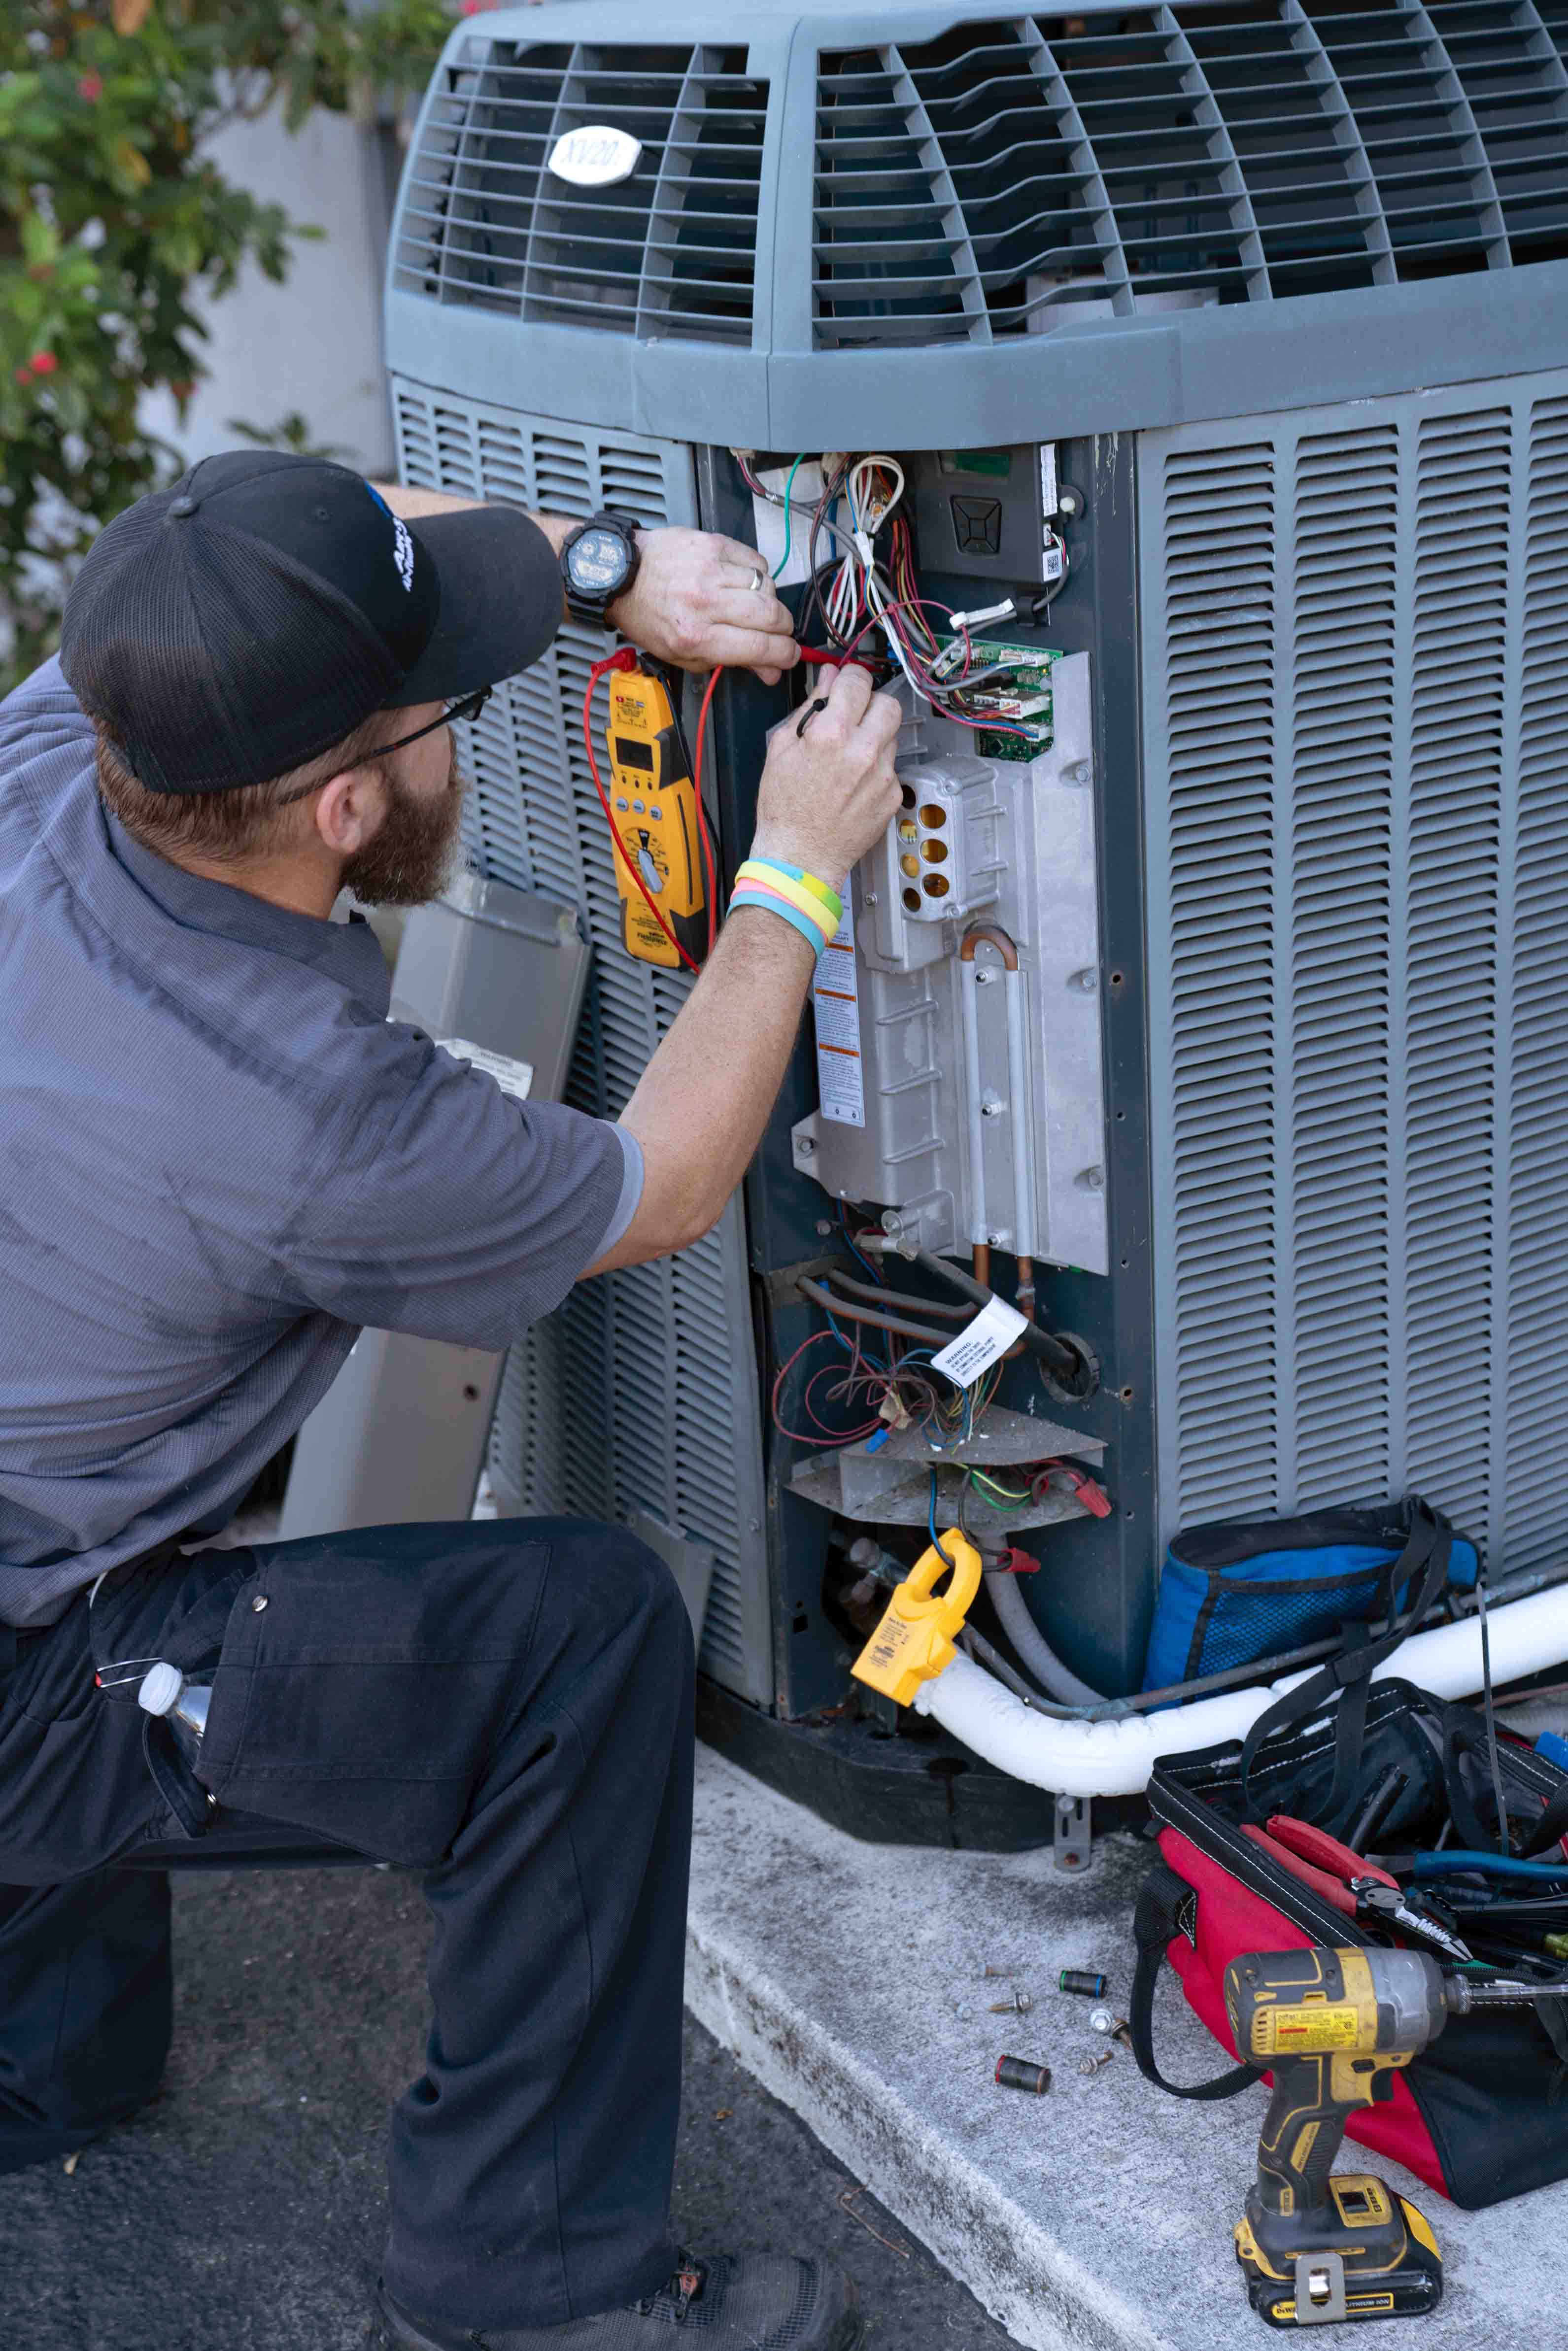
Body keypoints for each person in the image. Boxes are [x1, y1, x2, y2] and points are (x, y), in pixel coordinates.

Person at [0, 450, 902, 2351]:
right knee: (572, 1636)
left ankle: (32, 2060)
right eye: (454, 705)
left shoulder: (71, 745)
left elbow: (289, 529)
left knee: (63, 2061)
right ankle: (537, 2281)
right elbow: (659, 1183)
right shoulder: (304, 1114)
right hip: (23, 1652)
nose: (472, 727)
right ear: (343, 803)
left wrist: (605, 570)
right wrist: (799, 869)